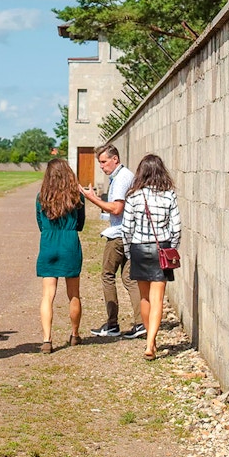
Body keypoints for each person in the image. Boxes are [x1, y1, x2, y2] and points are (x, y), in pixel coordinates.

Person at [79, 144, 145, 339]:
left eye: (104, 161)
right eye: (100, 162)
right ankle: (141, 322)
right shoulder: (122, 176)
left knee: (108, 275)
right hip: (129, 233)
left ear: (115, 159)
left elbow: (116, 209)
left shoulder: (122, 178)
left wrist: (92, 198)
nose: (101, 166)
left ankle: (112, 324)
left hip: (119, 234)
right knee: (129, 278)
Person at [122, 154, 181, 361]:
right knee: (158, 300)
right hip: (161, 248)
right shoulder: (169, 195)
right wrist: (171, 249)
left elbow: (127, 228)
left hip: (138, 247)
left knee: (144, 298)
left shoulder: (134, 196)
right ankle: (150, 343)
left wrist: (129, 252)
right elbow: (176, 228)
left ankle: (150, 339)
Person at [36, 158, 85, 353]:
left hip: (49, 243)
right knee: (73, 294)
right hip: (69, 244)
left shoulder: (41, 197)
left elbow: (40, 223)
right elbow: (80, 224)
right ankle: (74, 334)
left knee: (48, 295)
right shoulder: (76, 198)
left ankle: (47, 339)